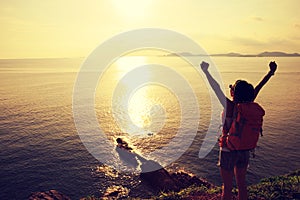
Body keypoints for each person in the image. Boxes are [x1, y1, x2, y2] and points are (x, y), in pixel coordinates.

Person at [200, 61, 277, 200]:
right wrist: (270, 73)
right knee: (242, 185)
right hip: (244, 150)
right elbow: (260, 86)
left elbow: (216, 88)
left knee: (227, 188)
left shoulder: (229, 106)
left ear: (233, 93)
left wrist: (206, 71)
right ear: (249, 94)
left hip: (228, 150)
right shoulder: (249, 103)